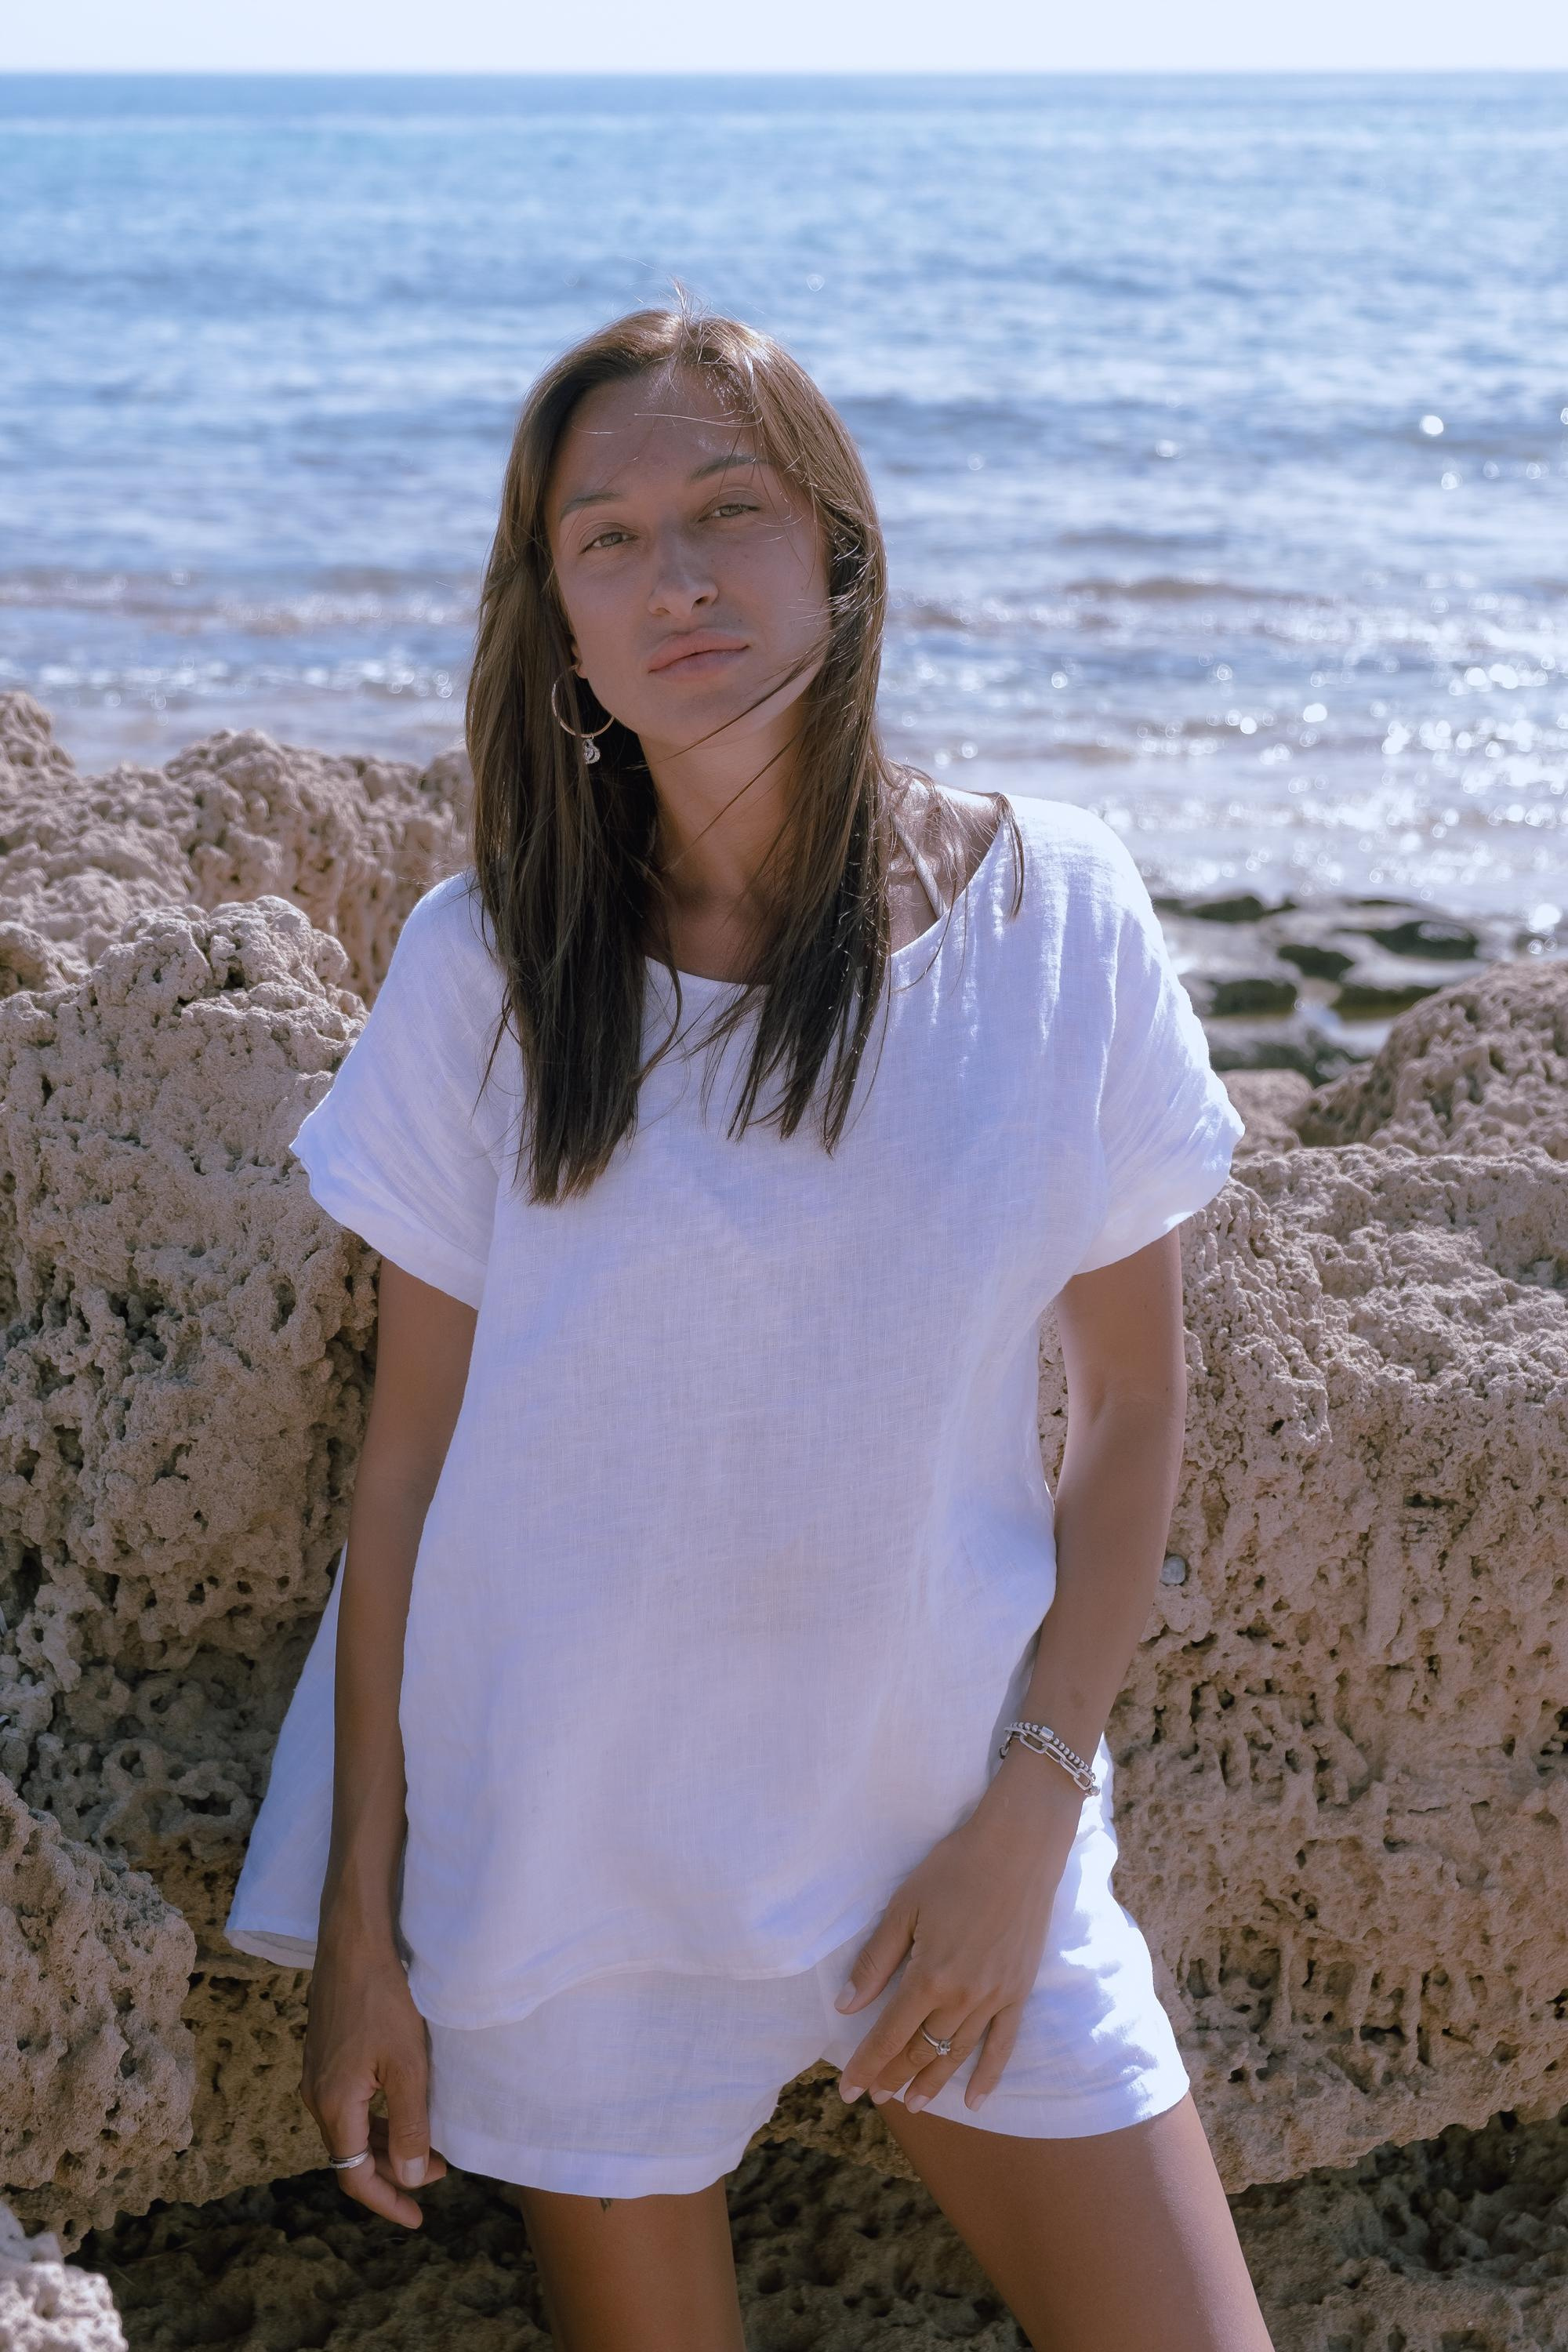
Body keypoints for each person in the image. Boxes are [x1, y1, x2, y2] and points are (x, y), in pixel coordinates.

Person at [226, 303, 1272, 2351]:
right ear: (560, 626)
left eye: (730, 511)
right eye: (604, 541)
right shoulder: (487, 968)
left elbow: (1135, 1408)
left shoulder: (1054, 917)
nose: (675, 576)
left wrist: (1028, 1819)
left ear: (841, 553)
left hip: (954, 1828)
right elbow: (408, 1465)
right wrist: (364, 1930)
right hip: (571, 1864)